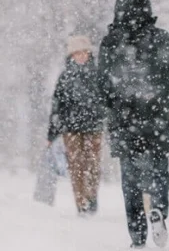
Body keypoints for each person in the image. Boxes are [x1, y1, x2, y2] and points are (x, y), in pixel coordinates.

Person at [98, 0, 169, 249]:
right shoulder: (161, 38)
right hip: (154, 118)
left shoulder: (111, 42)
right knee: (159, 170)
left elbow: (103, 84)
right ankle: (158, 209)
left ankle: (137, 235)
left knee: (131, 178)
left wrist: (115, 106)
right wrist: (162, 103)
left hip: (124, 120)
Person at [47, 35, 104, 215]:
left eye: (83, 52)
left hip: (94, 127)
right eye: (76, 53)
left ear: (89, 54)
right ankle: (81, 202)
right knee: (76, 166)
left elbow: (106, 101)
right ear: (71, 55)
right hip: (71, 128)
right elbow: (57, 106)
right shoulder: (65, 78)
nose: (80, 56)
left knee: (92, 164)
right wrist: (52, 133)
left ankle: (91, 195)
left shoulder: (97, 74)